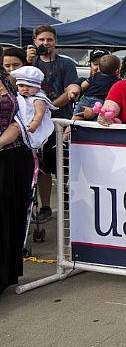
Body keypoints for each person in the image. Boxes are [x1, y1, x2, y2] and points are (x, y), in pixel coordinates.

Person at [27, 25, 78, 221]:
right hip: (37, 125)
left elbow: (69, 91)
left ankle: (66, 200)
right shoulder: (31, 65)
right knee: (42, 168)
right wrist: (28, 61)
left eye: (49, 40)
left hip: (60, 122)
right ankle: (46, 206)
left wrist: (48, 107)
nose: (45, 43)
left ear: (55, 41)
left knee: (64, 166)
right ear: (35, 41)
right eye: (41, 40)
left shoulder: (66, 64)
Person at [0, 65, 34, 294]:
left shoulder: (8, 78)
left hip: (15, 157)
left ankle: (6, 276)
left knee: (10, 217)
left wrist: (16, 127)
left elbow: (27, 109)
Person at [0, 66, 56, 150]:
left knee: (14, 128)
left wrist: (34, 124)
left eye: (29, 86)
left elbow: (39, 114)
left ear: (37, 87)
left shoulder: (39, 99)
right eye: (21, 86)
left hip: (29, 123)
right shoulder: (18, 95)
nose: (25, 89)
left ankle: (1, 143)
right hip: (17, 121)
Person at [73, 55, 121, 120]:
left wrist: (84, 91)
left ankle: (70, 127)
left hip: (86, 99)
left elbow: (83, 85)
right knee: (96, 121)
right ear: (117, 71)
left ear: (99, 68)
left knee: (76, 117)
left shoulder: (95, 75)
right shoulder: (117, 81)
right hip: (99, 103)